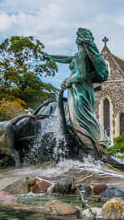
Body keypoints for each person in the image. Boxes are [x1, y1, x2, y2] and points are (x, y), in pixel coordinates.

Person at [42, 28, 108, 158]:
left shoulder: (81, 56)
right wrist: (51, 57)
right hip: (84, 90)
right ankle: (98, 144)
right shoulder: (83, 56)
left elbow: (82, 75)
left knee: (80, 120)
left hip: (79, 91)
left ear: (79, 41)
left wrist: (68, 80)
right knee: (86, 117)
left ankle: (91, 149)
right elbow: (67, 58)